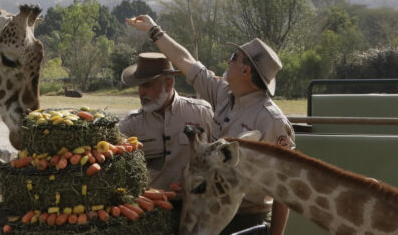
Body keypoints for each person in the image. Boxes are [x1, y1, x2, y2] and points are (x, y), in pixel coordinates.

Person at [126, 15, 295, 235]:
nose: (228, 60)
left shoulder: (270, 120)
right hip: (211, 213)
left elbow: (284, 188)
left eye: (235, 56)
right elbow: (185, 61)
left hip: (246, 218)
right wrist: (154, 30)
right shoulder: (224, 94)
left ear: (246, 71)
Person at [118, 52, 214, 191]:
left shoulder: (201, 112)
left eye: (147, 85)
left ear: (168, 84)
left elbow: (219, 159)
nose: (140, 92)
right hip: (150, 207)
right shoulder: (130, 124)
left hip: (194, 206)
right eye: (139, 86)